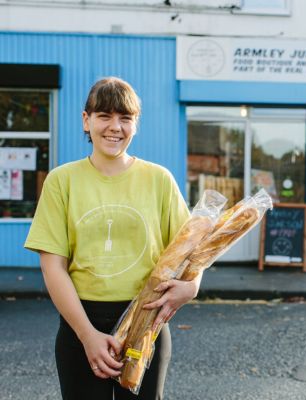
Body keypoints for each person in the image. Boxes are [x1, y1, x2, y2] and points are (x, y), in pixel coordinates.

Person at [24, 77, 198, 399]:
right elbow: (53, 268)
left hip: (145, 320)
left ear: (136, 124)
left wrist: (191, 286)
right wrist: (87, 335)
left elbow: (190, 249)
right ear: (86, 120)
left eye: (125, 118)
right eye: (104, 116)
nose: (114, 127)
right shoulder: (62, 181)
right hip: (81, 321)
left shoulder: (158, 180)